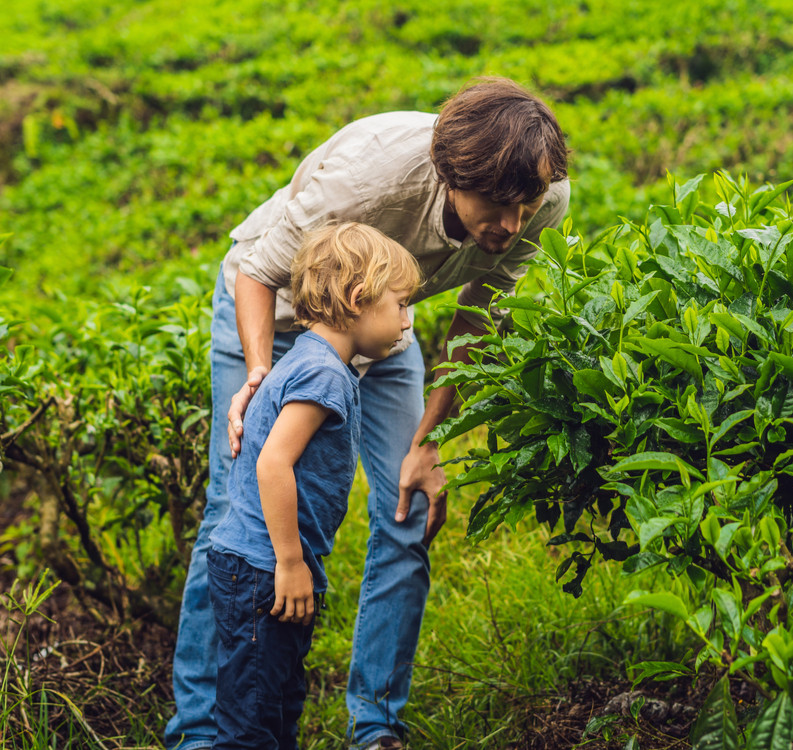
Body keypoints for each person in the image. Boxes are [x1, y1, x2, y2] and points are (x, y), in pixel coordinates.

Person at [165, 76, 570, 750]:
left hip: (383, 325)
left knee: (408, 510)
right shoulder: (370, 182)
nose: (512, 224)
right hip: (277, 311)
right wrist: (262, 376)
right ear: (449, 177)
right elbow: (258, 272)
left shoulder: (542, 191)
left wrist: (430, 440)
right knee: (232, 514)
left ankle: (377, 725)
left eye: (525, 206)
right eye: (496, 207)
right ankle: (202, 731)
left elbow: (480, 317)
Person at [207, 222, 421, 750]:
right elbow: (273, 465)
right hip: (263, 570)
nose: (407, 322)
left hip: (259, 567)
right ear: (357, 298)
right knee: (252, 720)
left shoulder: (307, 359)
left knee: (277, 700)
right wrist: (290, 562)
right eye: (400, 306)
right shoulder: (322, 374)